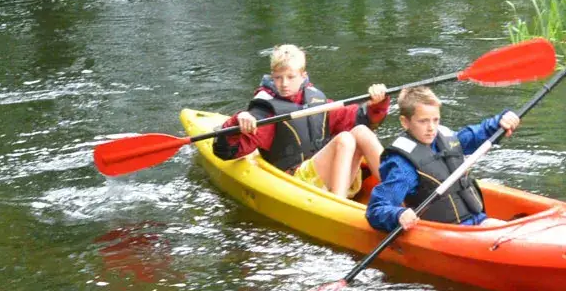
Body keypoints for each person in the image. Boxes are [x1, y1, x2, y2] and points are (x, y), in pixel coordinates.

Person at [213, 44, 388, 198]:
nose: (283, 84)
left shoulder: (316, 99)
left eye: (290, 77)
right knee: (345, 139)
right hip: (298, 182)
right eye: (278, 77)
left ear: (303, 76)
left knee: (361, 132)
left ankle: (398, 191)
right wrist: (239, 122)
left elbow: (360, 119)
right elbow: (226, 151)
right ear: (272, 76)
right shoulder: (265, 111)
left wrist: (375, 105)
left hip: (328, 176)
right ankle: (338, 205)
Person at [366, 86, 520, 231]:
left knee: (501, 227)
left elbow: (477, 134)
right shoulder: (403, 166)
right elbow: (376, 209)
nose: (431, 128)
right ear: (405, 122)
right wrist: (398, 214)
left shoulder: (446, 139)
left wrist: (500, 121)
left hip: (479, 222)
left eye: (435, 120)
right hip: (447, 232)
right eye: (423, 121)